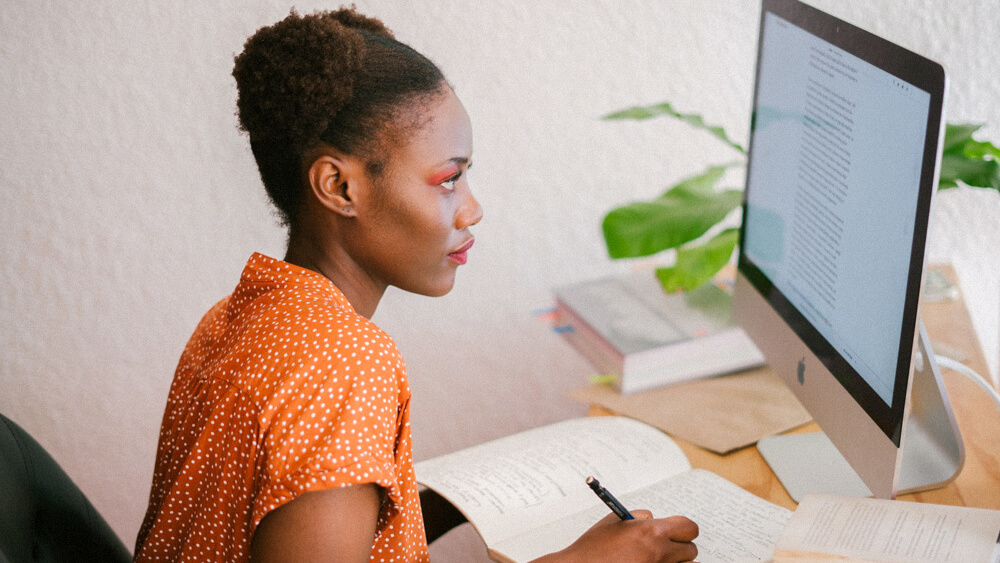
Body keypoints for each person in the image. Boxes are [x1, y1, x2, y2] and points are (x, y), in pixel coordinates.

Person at [134, 7, 700, 563]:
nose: (472, 210)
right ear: (339, 186)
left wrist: (424, 507)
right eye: (449, 179)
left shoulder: (238, 316)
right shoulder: (345, 365)